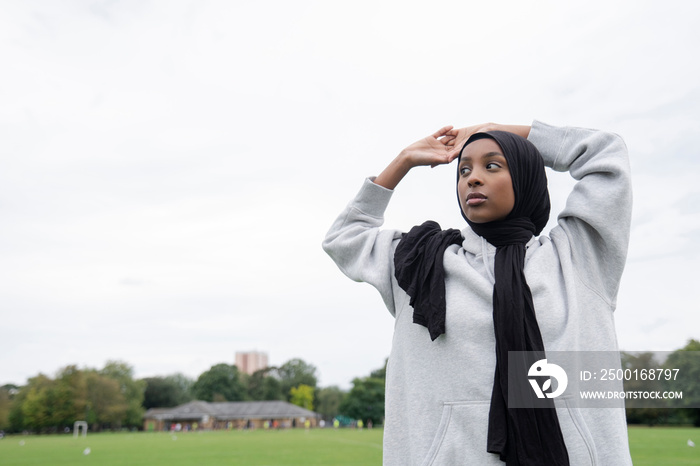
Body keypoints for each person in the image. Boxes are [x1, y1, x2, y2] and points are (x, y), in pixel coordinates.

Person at [322, 121, 633, 465]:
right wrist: (404, 160)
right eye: (464, 169)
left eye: (492, 165)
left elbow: (607, 153)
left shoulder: (577, 257)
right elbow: (343, 238)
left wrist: (505, 130)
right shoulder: (420, 261)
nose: (472, 177)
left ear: (526, 176)